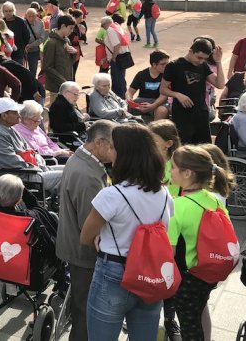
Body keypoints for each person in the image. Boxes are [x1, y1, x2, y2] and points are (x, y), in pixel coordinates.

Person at [80, 124, 173, 340]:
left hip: (114, 272)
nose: (109, 151)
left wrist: (99, 237)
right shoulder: (164, 193)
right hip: (151, 273)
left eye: (113, 147)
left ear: (125, 155)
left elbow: (85, 236)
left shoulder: (111, 195)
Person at [55, 120, 117, 341]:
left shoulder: (82, 159)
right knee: (86, 311)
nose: (116, 152)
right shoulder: (88, 175)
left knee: (81, 304)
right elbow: (90, 226)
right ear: (99, 142)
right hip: (84, 253)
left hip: (74, 244)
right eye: (113, 146)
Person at [168, 145, 235, 341]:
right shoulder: (213, 199)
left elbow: (170, 252)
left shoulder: (177, 206)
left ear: (187, 173)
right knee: (197, 313)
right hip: (208, 273)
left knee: (189, 326)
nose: (170, 170)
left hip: (188, 276)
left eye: (173, 167)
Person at [0, 97, 64, 193]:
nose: (19, 115)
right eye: (15, 113)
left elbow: (30, 150)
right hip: (17, 175)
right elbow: (9, 160)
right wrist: (35, 167)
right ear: (4, 115)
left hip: (30, 169)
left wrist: (40, 164)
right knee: (67, 176)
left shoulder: (10, 128)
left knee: (70, 169)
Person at [161, 38, 224, 144]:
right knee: (184, 147)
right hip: (182, 114)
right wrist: (177, 95)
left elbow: (220, 84)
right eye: (199, 57)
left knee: (204, 147)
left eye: (204, 59)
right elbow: (163, 89)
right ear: (190, 51)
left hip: (201, 113)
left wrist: (218, 62)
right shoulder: (174, 65)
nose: (201, 61)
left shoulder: (203, 65)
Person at [41, 15, 78, 105]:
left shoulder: (66, 40)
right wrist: (64, 83)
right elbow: (47, 67)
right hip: (56, 87)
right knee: (56, 110)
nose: (72, 31)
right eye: (70, 28)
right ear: (63, 26)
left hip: (67, 83)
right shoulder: (51, 43)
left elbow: (70, 62)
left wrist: (74, 53)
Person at [127, 50, 170, 120]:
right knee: (125, 105)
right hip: (143, 101)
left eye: (167, 64)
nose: (166, 66)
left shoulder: (167, 75)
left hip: (160, 102)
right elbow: (130, 91)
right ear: (154, 64)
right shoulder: (141, 74)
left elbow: (164, 96)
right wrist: (129, 99)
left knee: (161, 111)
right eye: (163, 64)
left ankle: (156, 127)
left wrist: (153, 106)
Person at [104, 15, 132, 97]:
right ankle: (123, 96)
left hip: (117, 57)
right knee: (121, 78)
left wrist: (113, 58)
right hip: (124, 55)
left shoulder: (110, 29)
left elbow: (117, 45)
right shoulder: (119, 28)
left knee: (117, 80)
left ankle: (118, 98)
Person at [23, 8, 46, 77]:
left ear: (36, 15)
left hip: (34, 50)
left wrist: (31, 45)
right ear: (26, 16)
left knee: (33, 70)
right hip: (23, 51)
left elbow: (42, 38)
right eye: (29, 16)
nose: (31, 18)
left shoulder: (40, 23)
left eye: (33, 16)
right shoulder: (22, 23)